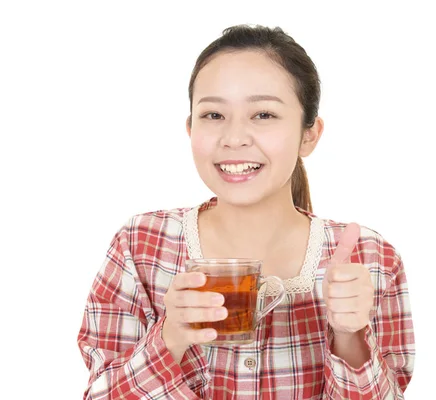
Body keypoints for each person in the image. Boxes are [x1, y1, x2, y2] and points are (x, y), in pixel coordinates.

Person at [77, 24, 415, 399]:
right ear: (190, 129)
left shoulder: (370, 258)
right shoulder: (140, 246)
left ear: (309, 135)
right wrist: (171, 335)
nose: (234, 137)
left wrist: (350, 338)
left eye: (264, 115)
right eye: (214, 115)